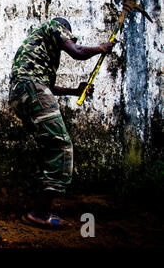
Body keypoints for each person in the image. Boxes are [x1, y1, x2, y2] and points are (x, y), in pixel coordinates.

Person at [9, 17, 114, 227]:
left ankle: (37, 205)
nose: (69, 39)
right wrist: (102, 48)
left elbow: (47, 87)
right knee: (61, 146)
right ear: (64, 30)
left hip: (21, 94)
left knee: (49, 147)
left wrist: (76, 91)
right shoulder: (55, 26)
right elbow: (77, 52)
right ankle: (39, 213)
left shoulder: (38, 50)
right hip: (31, 89)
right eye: (68, 36)